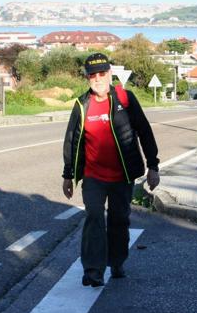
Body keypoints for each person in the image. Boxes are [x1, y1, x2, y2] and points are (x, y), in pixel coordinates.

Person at [62, 53, 160, 287]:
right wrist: (68, 175)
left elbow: (145, 131)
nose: (97, 79)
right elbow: (72, 141)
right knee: (94, 217)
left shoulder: (125, 99)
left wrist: (153, 165)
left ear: (109, 74)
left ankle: (116, 261)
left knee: (119, 220)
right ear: (87, 78)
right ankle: (93, 271)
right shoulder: (81, 105)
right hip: (93, 176)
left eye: (102, 74)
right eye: (92, 75)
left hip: (121, 175)